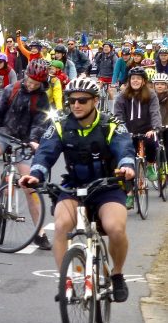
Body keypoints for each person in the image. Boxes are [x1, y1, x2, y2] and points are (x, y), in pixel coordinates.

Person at [19, 78, 135, 303]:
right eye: (71, 101)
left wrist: (127, 167)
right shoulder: (60, 125)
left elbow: (124, 147)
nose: (76, 105)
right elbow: (45, 152)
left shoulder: (110, 124)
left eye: (82, 100)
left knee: (115, 228)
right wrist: (35, 175)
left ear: (95, 101)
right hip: (74, 186)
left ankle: (118, 274)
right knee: (61, 225)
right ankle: (66, 280)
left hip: (107, 185)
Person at [0, 59, 51, 248]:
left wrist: (34, 140)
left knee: (29, 185)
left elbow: (41, 122)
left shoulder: (42, 98)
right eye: (29, 80)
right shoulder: (11, 89)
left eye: (36, 83)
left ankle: (40, 233)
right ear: (25, 75)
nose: (31, 84)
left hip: (25, 142)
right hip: (3, 135)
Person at [113, 67, 161, 197]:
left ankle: (151, 165)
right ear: (129, 81)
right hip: (128, 131)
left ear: (143, 81)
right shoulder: (122, 96)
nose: (135, 81)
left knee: (152, 142)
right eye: (133, 78)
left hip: (147, 130)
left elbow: (154, 112)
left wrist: (154, 128)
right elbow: (118, 115)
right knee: (126, 161)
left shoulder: (151, 95)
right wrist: (122, 130)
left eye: (138, 78)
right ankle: (128, 194)